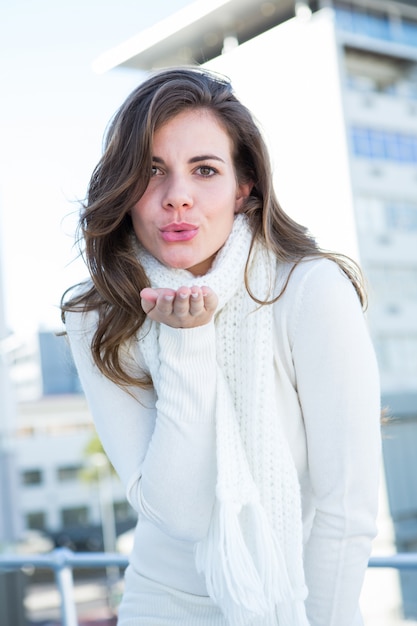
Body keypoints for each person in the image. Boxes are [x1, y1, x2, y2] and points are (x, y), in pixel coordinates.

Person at [61, 67, 381, 626]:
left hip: (300, 604)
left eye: (203, 170)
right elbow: (179, 515)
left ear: (243, 186)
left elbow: (346, 510)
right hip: (160, 606)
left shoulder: (307, 290)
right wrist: (186, 345)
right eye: (151, 171)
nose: (176, 198)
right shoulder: (98, 313)